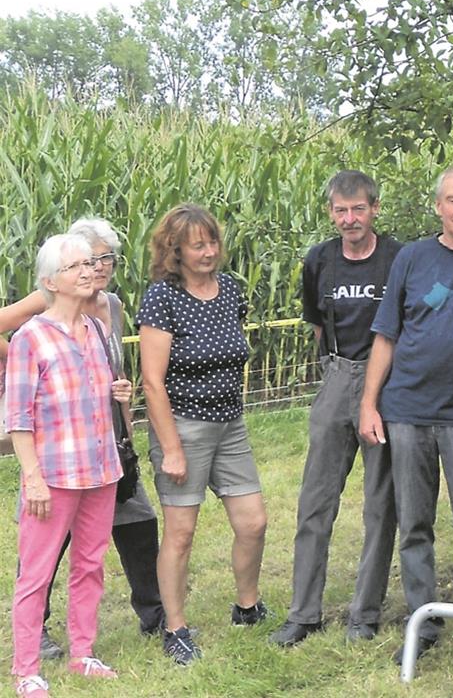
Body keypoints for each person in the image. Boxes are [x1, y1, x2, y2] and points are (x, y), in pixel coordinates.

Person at [358, 165, 453, 665]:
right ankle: (423, 619)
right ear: (438, 206)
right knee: (414, 524)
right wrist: (369, 404)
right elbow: (387, 335)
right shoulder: (412, 257)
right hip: (407, 410)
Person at [1, 219, 164, 659]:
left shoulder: (102, 317)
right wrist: (29, 361)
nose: (95, 269)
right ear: (57, 276)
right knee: (40, 561)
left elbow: (105, 377)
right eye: (84, 262)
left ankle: (113, 638)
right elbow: (18, 410)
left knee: (113, 546)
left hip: (105, 456)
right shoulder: (38, 321)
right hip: (55, 464)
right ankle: (30, 653)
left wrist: (121, 401)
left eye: (101, 260)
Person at [270, 171, 402, 647]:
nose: (350, 219)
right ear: (331, 213)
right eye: (341, 211)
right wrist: (334, 376)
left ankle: (364, 614)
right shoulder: (320, 259)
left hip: (386, 382)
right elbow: (317, 323)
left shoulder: (397, 257)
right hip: (337, 374)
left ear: (375, 209)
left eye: (358, 209)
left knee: (379, 504)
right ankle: (304, 613)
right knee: (315, 501)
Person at [137, 204, 269, 666]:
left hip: (230, 423)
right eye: (197, 245)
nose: (209, 251)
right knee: (181, 532)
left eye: (212, 242)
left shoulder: (230, 289)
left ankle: (247, 606)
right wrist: (170, 448)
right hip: (184, 427)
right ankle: (175, 628)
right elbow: (151, 381)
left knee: (253, 522)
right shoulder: (162, 298)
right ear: (175, 250)